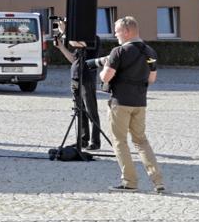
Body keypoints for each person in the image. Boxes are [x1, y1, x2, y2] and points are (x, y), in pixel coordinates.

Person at [99, 15, 163, 193]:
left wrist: (102, 69)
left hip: (120, 102)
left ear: (127, 32)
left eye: (117, 30)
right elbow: (152, 78)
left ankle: (130, 181)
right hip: (140, 102)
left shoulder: (118, 52)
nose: (115, 33)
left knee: (119, 142)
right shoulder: (150, 52)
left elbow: (106, 77)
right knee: (141, 141)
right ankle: (157, 180)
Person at [52, 19, 101, 155]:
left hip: (87, 78)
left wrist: (65, 31)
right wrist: (61, 47)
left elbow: (79, 43)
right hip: (75, 77)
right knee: (80, 110)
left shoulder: (93, 39)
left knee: (91, 110)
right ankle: (83, 139)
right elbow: (73, 59)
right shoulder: (77, 42)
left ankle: (95, 141)